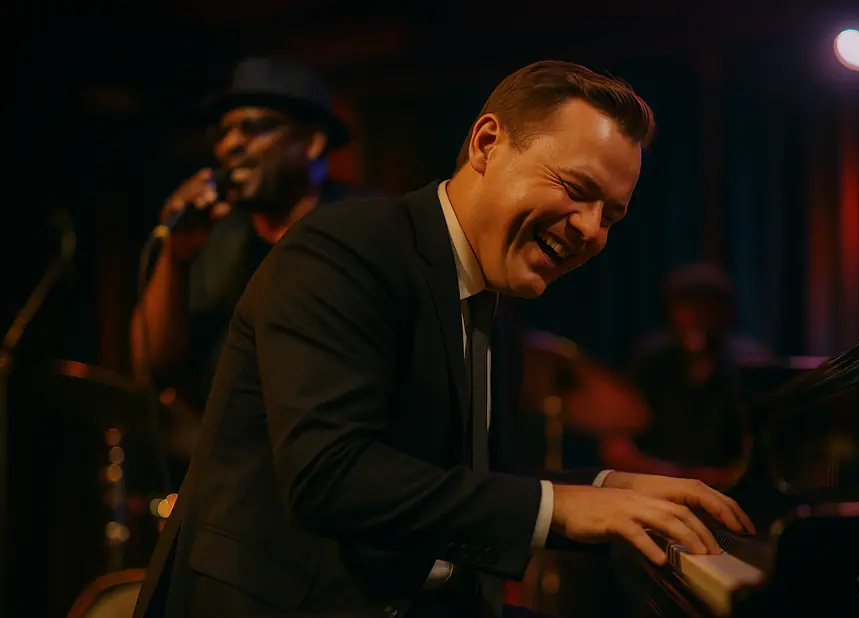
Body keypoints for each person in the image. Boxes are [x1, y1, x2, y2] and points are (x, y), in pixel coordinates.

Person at [132, 60, 755, 618]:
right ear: (487, 143)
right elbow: (331, 477)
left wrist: (604, 487)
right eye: (575, 189)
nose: (591, 230)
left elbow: (463, 482)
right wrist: (562, 506)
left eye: (611, 215)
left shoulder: (491, 300)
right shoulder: (345, 248)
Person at [130, 57, 364, 477]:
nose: (229, 145)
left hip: (327, 474)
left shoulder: (363, 227)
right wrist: (175, 256)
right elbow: (150, 366)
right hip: (226, 480)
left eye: (253, 127)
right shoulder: (217, 238)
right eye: (222, 132)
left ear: (312, 142)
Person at [599, 262, 771, 488]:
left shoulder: (749, 364)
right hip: (654, 489)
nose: (696, 316)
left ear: (725, 312)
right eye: (687, 305)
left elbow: (763, 453)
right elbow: (615, 445)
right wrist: (670, 477)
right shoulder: (649, 360)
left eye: (707, 306)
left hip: (727, 494)